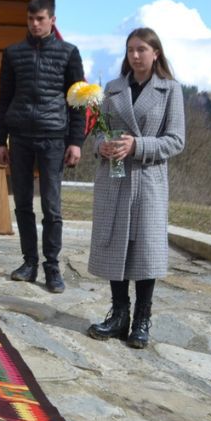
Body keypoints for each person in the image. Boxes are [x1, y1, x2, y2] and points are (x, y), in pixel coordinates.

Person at [86, 28, 185, 349]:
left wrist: (137, 145)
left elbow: (176, 140)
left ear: (156, 53)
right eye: (130, 49)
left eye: (142, 49)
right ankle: (118, 315)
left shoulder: (170, 90)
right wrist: (101, 146)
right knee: (115, 242)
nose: (135, 55)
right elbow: (97, 132)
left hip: (148, 181)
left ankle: (142, 319)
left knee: (145, 248)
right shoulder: (113, 89)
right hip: (114, 178)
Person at [0, 0, 85, 294]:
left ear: (52, 20)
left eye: (41, 19)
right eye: (31, 19)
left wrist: (75, 142)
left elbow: (78, 101)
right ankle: (29, 262)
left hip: (53, 138)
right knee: (22, 204)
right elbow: (3, 98)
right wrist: (0, 140)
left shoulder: (69, 53)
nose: (35, 24)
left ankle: (52, 267)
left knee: (51, 206)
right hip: (19, 137)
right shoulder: (12, 53)